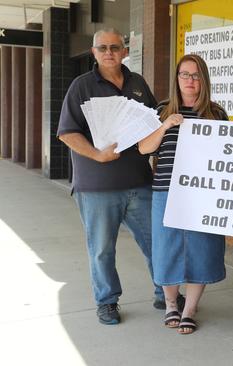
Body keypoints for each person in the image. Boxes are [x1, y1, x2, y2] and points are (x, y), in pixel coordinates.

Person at [57, 28, 167, 325]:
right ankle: (107, 302)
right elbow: (66, 133)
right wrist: (97, 154)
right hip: (97, 187)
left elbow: (151, 126)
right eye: (102, 47)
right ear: (93, 52)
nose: (109, 52)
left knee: (156, 243)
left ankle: (165, 294)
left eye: (115, 47)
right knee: (102, 250)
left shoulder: (138, 83)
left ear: (124, 50)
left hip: (140, 183)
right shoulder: (81, 86)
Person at [138, 54, 229, 335]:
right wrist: (165, 126)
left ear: (204, 80)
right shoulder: (161, 110)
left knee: (201, 248)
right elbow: (144, 148)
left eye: (196, 75)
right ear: (177, 79)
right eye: (184, 75)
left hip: (203, 194)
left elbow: (228, 155)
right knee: (166, 249)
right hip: (166, 190)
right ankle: (170, 304)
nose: (190, 80)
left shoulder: (216, 113)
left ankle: (189, 308)